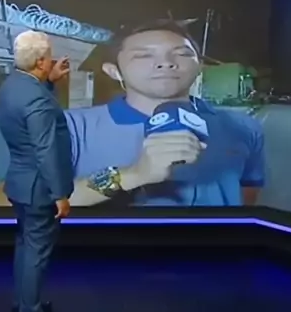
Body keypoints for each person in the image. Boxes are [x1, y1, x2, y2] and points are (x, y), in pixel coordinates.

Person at [65, 18, 265, 207]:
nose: (166, 63)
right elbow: (53, 199)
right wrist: (133, 174)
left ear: (199, 66)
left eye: (182, 54)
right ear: (114, 71)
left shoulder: (244, 126)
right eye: (143, 55)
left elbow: (248, 193)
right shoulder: (71, 126)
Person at [0, 30, 73, 312]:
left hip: (20, 183)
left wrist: (49, 81)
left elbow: (32, 109)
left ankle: (24, 304)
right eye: (49, 58)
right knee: (36, 252)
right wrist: (60, 194)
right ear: (40, 61)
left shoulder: (13, 85)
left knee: (26, 247)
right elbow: (45, 149)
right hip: (39, 188)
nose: (52, 61)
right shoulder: (36, 98)